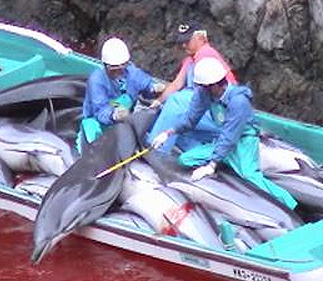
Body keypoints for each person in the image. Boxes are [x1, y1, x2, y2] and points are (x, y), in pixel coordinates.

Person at [151, 57, 297, 209]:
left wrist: (212, 164)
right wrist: (169, 132)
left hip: (243, 140)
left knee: (249, 176)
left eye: (203, 86)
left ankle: (290, 204)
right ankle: (226, 165)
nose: (200, 89)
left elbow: (230, 135)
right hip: (223, 140)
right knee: (185, 160)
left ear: (215, 85)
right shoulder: (205, 95)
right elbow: (191, 119)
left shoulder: (238, 101)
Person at [147, 21, 237, 153]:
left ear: (200, 38)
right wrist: (157, 102)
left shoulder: (206, 54)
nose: (184, 45)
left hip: (219, 113)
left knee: (176, 103)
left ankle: (155, 151)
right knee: (175, 124)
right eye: (182, 42)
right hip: (204, 111)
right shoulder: (191, 59)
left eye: (187, 41)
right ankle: (202, 154)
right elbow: (177, 84)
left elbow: (200, 96)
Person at [77, 37, 164, 153]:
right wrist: (113, 115)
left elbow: (144, 85)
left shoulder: (132, 73)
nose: (118, 73)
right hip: (98, 123)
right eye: (114, 70)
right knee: (94, 148)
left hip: (124, 122)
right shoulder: (96, 80)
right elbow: (99, 109)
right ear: (105, 65)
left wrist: (153, 88)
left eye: (121, 69)